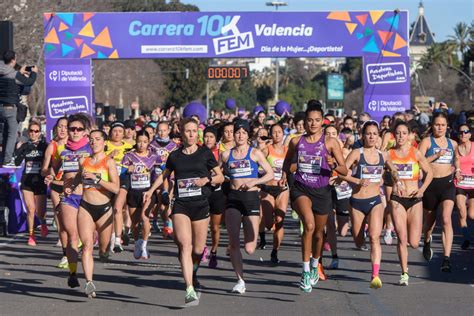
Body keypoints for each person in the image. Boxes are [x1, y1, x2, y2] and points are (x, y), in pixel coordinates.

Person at [144, 118, 224, 304]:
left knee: (197, 249)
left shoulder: (205, 153)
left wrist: (206, 180)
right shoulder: (175, 156)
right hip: (181, 205)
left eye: (194, 131)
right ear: (181, 132)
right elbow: (165, 174)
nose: (191, 134)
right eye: (187, 131)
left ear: (198, 133)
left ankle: (193, 270)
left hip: (201, 204)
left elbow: (220, 176)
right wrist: (150, 191)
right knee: (185, 246)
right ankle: (189, 288)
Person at [283, 103, 347, 293]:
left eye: (317, 120)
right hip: (301, 188)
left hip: (322, 191)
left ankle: (314, 264)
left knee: (319, 234)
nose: (313, 124)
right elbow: (287, 165)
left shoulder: (330, 143)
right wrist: (293, 167)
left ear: (323, 122)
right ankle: (304, 272)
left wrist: (333, 163)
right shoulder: (296, 142)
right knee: (308, 226)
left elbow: (344, 170)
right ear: (304, 122)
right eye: (309, 120)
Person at [221, 119, 274, 294]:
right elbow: (219, 174)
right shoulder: (226, 155)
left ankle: (236, 245)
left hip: (251, 197)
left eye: (243, 132)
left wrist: (255, 181)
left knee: (250, 248)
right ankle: (240, 280)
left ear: (248, 135)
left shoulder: (255, 154)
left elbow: (270, 173)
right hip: (233, 199)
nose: (240, 135)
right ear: (233, 134)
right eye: (237, 132)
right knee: (234, 241)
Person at [69, 130, 119, 297]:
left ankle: (104, 251)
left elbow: (116, 188)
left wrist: (98, 179)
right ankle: (89, 282)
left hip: (104, 209)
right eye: (91, 139)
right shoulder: (83, 160)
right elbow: (78, 178)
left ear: (104, 142)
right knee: (87, 246)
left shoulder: (109, 162)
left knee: (103, 251)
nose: (94, 142)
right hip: (85, 207)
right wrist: (70, 186)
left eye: (97, 139)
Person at [341, 121, 386, 289]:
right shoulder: (356, 153)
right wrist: (357, 180)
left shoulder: (382, 155)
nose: (372, 137)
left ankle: (375, 275)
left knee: (375, 237)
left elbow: (391, 170)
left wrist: (395, 178)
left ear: (378, 136)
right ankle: (361, 234)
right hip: (357, 202)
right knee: (359, 242)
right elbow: (341, 172)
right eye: (368, 133)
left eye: (375, 133)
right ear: (363, 135)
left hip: (375, 200)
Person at [387, 122, 432, 285]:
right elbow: (386, 168)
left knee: (413, 242)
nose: (400, 136)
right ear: (394, 135)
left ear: (409, 135)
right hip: (397, 199)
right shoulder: (389, 154)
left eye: (403, 133)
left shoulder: (416, 153)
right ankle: (404, 273)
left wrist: (422, 190)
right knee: (401, 237)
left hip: (415, 200)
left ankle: (427, 237)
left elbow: (430, 173)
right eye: (398, 133)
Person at [418, 111, 461, 272]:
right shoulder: (426, 142)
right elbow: (418, 162)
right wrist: (435, 155)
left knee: (446, 218)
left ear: (447, 126)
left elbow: (456, 159)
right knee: (429, 224)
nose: (440, 128)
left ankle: (446, 258)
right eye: (437, 124)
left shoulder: (453, 143)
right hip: (430, 186)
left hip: (447, 185)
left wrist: (457, 169)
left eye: (443, 125)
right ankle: (427, 239)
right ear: (432, 125)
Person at [55, 113, 92, 288]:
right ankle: (73, 273)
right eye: (72, 129)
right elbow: (51, 171)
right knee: (72, 236)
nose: (75, 132)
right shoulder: (62, 150)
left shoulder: (92, 149)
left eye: (79, 129)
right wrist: (49, 177)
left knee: (86, 240)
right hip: (69, 198)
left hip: (87, 197)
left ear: (85, 132)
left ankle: (88, 273)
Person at [122, 130, 158, 260]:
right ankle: (137, 243)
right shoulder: (129, 156)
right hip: (133, 192)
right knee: (135, 222)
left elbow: (160, 173)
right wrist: (127, 170)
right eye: (139, 142)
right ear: (135, 141)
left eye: (145, 142)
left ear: (149, 142)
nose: (142, 144)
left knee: (144, 217)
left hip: (147, 192)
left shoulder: (154, 157)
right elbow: (121, 174)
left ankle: (144, 244)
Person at [0, 50, 38, 167]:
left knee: (4, 134)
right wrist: (34, 73)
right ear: (13, 60)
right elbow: (29, 82)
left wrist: (18, 71)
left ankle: (3, 159)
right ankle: (7, 160)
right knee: (12, 135)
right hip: (10, 108)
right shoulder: (14, 75)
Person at [14, 121, 48, 246]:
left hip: (39, 181)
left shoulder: (44, 146)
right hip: (27, 181)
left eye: (36, 131)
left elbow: (49, 161)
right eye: (31, 131)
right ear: (28, 132)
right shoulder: (24, 145)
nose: (33, 133)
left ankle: (43, 223)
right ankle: (32, 235)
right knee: (30, 209)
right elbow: (17, 162)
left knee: (40, 211)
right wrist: (21, 150)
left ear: (40, 132)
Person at [259, 123, 289, 264]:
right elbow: (256, 161)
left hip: (282, 189)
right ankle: (267, 231)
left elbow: (293, 167)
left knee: (279, 221)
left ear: (283, 134)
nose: (277, 135)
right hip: (267, 189)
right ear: (271, 135)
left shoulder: (288, 151)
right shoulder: (267, 150)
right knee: (268, 223)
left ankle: (275, 250)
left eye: (279, 132)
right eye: (274, 132)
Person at [42, 117, 69, 268]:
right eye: (60, 127)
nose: (63, 129)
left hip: (74, 187)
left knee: (73, 221)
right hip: (56, 185)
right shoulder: (51, 146)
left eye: (66, 127)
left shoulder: (75, 146)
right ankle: (65, 254)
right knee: (61, 220)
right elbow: (43, 170)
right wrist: (51, 172)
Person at [324, 124, 351, 269]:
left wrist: (342, 176)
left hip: (342, 190)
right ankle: (334, 256)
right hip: (326, 190)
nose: (330, 136)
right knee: (329, 224)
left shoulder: (345, 152)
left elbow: (350, 171)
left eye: (333, 133)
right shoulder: (320, 150)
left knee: (343, 231)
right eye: (327, 133)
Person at [105, 121, 133, 253]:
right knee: (109, 210)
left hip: (123, 179)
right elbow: (96, 160)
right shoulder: (104, 145)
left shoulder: (129, 147)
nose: (117, 133)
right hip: (107, 179)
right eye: (115, 131)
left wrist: (132, 167)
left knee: (117, 208)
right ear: (110, 132)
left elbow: (138, 160)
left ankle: (117, 240)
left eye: (120, 131)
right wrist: (109, 157)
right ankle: (110, 237)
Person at [149, 121, 178, 239]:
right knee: (161, 206)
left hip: (169, 176)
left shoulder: (173, 146)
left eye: (164, 130)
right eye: (159, 130)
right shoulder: (152, 145)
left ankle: (169, 226)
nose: (162, 133)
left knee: (168, 201)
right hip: (156, 177)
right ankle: (166, 222)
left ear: (168, 131)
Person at [203, 126, 226, 268]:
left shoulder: (222, 154)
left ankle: (214, 251)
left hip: (217, 193)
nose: (208, 139)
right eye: (206, 136)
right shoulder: (198, 152)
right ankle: (203, 246)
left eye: (211, 137)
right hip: (202, 192)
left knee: (215, 227)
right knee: (202, 224)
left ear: (216, 139)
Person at [454, 124, 474, 249]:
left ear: (470, 134)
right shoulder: (456, 148)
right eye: (461, 132)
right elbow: (455, 161)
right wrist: (457, 170)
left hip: (473, 184)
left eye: (466, 132)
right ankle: (466, 238)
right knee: (461, 211)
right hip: (460, 183)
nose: (463, 134)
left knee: (472, 214)